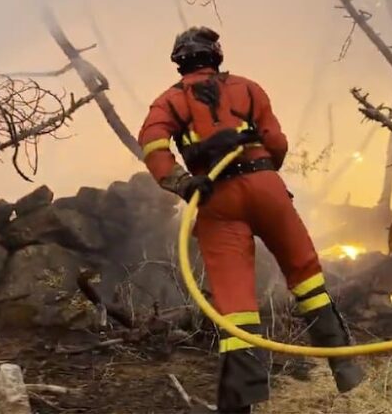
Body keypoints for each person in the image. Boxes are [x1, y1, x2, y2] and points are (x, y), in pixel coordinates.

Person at [137, 26, 364, 414]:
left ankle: (242, 401)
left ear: (179, 62)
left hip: (215, 198)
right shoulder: (248, 88)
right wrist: (261, 170)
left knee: (236, 302)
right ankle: (344, 366)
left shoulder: (168, 101)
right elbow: (277, 143)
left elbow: (153, 144)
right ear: (216, 55)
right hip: (265, 186)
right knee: (306, 274)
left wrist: (183, 183)